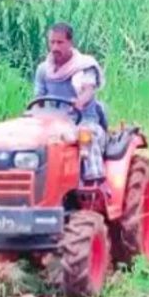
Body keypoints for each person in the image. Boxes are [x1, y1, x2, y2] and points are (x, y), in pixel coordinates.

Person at [34, 22, 108, 190]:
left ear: (70, 43)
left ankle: (93, 184)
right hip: (54, 122)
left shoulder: (84, 66)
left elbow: (88, 90)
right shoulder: (43, 70)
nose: (54, 47)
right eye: (52, 42)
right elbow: (39, 98)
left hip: (83, 120)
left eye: (60, 42)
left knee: (87, 135)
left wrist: (80, 101)